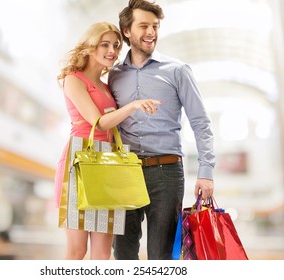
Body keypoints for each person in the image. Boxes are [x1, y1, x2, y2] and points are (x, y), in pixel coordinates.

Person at [108, 0, 216, 260]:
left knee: (161, 256)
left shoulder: (177, 71)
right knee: (122, 254)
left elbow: (201, 122)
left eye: (155, 26)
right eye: (143, 25)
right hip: (124, 172)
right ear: (126, 31)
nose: (151, 32)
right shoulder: (113, 75)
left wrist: (206, 172)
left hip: (166, 172)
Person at [55, 21, 161, 260]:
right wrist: (133, 106)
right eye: (104, 44)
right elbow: (98, 123)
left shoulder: (106, 86)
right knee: (77, 250)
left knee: (102, 254)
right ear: (90, 46)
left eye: (115, 45)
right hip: (80, 163)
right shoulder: (74, 79)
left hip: (108, 163)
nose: (112, 50)